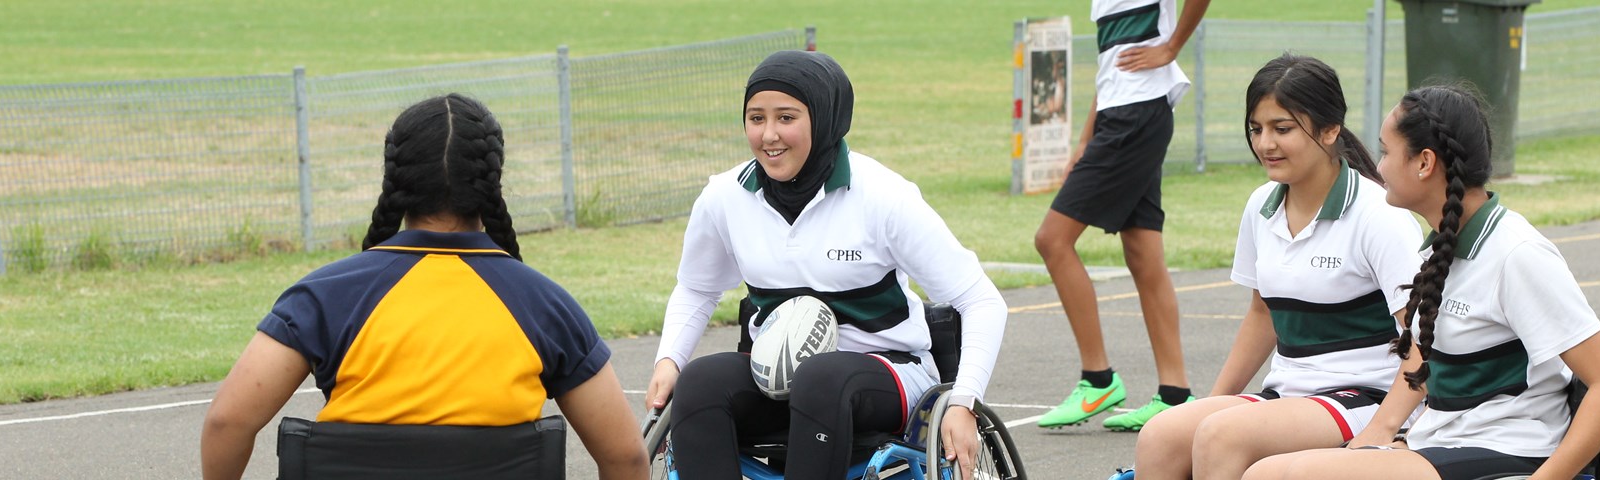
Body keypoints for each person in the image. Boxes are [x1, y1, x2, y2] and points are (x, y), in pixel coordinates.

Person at [199, 94, 647, 480]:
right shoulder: (545, 306)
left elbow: (226, 423)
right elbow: (626, 457)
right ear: (491, 181)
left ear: (395, 179)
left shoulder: (324, 295)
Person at [1241, 85, 1600, 480]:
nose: (1378, 167)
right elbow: (1422, 357)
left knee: (1305, 473)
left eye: (1386, 152)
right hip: (1439, 440)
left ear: (1425, 163)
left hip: (1508, 450)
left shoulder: (1517, 254)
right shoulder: (1438, 250)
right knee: (1265, 473)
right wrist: (1379, 431)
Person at [644, 50, 1009, 480]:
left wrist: (964, 402)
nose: (768, 135)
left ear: (824, 119)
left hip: (889, 373)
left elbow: (981, 301)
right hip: (776, 377)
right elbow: (697, 288)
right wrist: (669, 361)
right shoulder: (724, 198)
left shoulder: (884, 197)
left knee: (821, 377)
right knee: (700, 381)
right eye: (756, 118)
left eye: (786, 117)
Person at [1126, 54, 1426, 480]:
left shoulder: (1378, 214)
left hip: (1367, 398)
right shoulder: (1260, 205)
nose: (1265, 143)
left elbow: (1426, 339)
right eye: (1256, 129)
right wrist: (1212, 405)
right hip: (1289, 394)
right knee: (1161, 434)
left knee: (1221, 436)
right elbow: (1261, 314)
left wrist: (1383, 428)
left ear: (1329, 130)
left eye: (1282, 129)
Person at [1034, 0, 1211, 431]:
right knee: (1143, 255)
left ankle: (1098, 380)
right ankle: (1174, 395)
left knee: (1052, 240)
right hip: (1125, 113)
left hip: (1136, 116)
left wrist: (1171, 47)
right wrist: (1086, 136)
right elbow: (1112, 68)